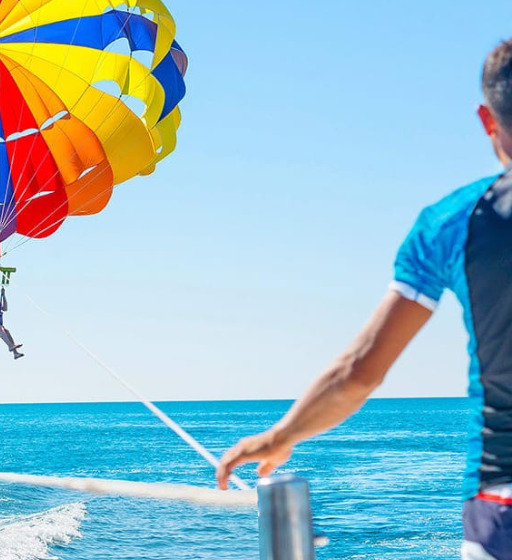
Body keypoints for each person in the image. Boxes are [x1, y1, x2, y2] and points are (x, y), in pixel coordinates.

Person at [215, 39, 512, 560]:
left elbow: (359, 372)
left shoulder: (452, 223)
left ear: (487, 119)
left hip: (500, 500)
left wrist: (282, 435)